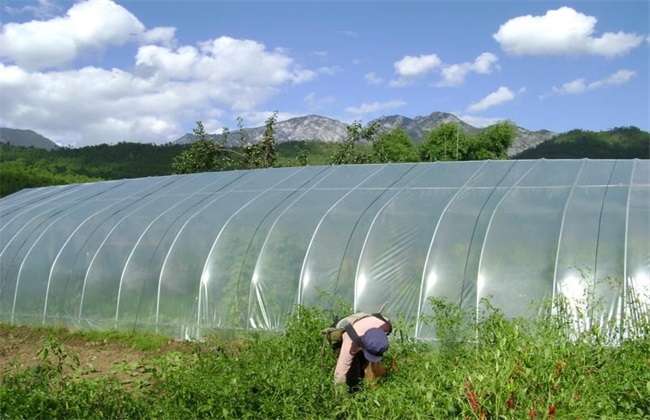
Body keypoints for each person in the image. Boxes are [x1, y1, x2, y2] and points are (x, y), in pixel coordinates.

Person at [332, 313, 392, 393]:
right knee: (352, 373)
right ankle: (353, 392)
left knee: (365, 363)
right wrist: (340, 399)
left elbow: (377, 342)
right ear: (361, 346)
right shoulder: (350, 341)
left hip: (362, 328)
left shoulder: (386, 325)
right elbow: (340, 374)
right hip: (342, 331)